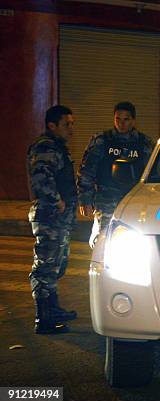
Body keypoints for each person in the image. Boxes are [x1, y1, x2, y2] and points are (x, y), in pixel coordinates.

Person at [27, 105, 78, 334]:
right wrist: (56, 200)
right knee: (45, 267)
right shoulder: (46, 147)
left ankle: (53, 309)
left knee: (56, 265)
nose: (71, 129)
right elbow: (41, 178)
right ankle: (44, 319)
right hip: (49, 216)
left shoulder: (57, 147)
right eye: (67, 124)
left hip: (58, 218)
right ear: (52, 126)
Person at [78, 102, 153, 247]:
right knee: (104, 239)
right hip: (106, 199)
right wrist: (85, 199)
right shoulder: (102, 141)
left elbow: (151, 173)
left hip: (134, 200)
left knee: (133, 239)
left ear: (133, 120)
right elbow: (87, 170)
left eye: (126, 119)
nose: (121, 124)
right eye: (118, 119)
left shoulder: (144, 143)